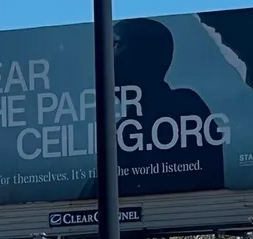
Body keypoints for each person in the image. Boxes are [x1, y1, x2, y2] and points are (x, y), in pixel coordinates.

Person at [78, 17, 226, 200]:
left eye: (114, 44)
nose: (102, 57)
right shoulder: (127, 125)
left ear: (144, 55)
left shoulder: (183, 108)